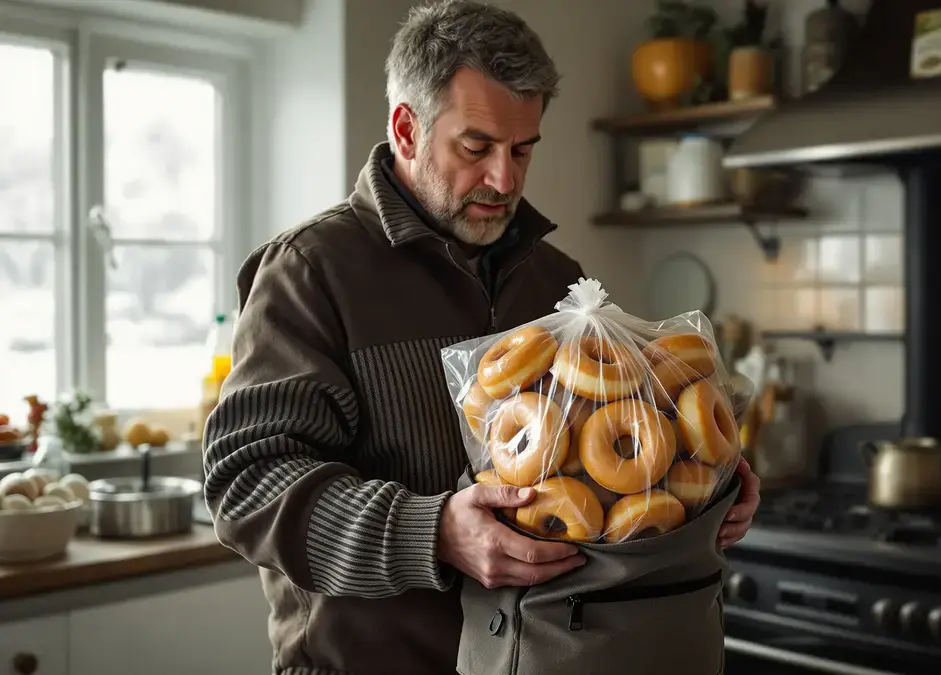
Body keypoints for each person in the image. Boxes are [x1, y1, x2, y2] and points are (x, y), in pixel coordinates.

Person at [202, 1, 761, 674]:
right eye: (477, 148)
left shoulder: (560, 282)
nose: (505, 179)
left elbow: (604, 467)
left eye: (523, 149)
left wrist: (704, 488)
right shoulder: (311, 271)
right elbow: (247, 484)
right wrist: (433, 532)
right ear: (407, 129)